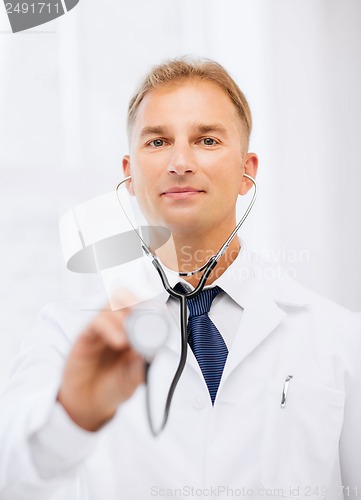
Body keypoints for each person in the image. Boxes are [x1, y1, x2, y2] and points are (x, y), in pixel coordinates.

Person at [0, 57, 360, 500]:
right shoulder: (65, 333)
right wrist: (71, 416)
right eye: (158, 141)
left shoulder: (340, 338)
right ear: (129, 175)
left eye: (207, 139)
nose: (181, 161)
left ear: (248, 171)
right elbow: (13, 477)